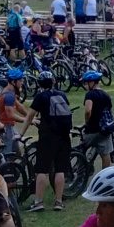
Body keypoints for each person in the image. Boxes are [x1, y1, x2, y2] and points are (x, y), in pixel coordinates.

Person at [29, 70, 74, 211]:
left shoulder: (41, 97)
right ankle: (58, 202)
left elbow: (30, 116)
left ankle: (38, 202)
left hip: (47, 136)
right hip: (63, 135)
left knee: (42, 170)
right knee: (60, 169)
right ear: (53, 82)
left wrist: (21, 133)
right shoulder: (62, 95)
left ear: (39, 84)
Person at [81, 68, 114, 172]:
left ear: (92, 82)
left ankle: (82, 166)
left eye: (86, 83)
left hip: (92, 129)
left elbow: (88, 110)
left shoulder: (90, 94)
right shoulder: (106, 95)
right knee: (105, 154)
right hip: (104, 129)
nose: (85, 85)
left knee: (82, 147)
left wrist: (86, 122)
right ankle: (105, 174)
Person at [0, 66, 30, 148]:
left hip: (10, 126)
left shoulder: (10, 91)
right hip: (5, 128)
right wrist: (27, 120)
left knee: (17, 151)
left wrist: (30, 117)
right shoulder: (8, 95)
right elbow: (11, 115)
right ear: (13, 82)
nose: (22, 83)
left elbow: (19, 106)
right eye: (20, 80)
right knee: (8, 153)